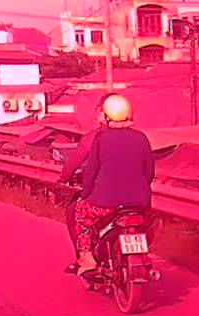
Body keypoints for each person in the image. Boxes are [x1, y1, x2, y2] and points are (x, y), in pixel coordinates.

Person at [58, 93, 155, 274]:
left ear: (105, 115)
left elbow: (91, 171)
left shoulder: (100, 138)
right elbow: (149, 172)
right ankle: (144, 253)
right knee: (147, 223)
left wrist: (86, 194)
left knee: (80, 212)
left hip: (106, 203)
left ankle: (86, 258)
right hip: (139, 203)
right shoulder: (141, 137)